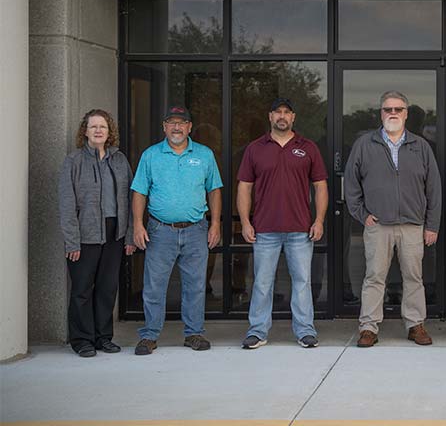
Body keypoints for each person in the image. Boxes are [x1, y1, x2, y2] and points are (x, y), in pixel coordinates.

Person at [344, 91, 442, 347]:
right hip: (378, 225)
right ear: (381, 113)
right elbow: (351, 185)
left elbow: (434, 189)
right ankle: (368, 327)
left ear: (406, 113)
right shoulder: (365, 145)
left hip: (412, 225)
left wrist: (432, 225)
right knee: (375, 277)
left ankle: (415, 324)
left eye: (398, 109)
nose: (393, 114)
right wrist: (362, 215)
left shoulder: (421, 146)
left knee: (413, 277)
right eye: (388, 109)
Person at [131, 105, 223, 355]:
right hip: (160, 230)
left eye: (181, 123)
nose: (176, 127)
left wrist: (215, 224)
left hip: (196, 230)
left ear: (189, 127)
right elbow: (139, 191)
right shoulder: (151, 155)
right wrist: (138, 224)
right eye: (171, 122)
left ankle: (194, 333)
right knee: (154, 286)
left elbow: (214, 190)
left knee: (195, 285)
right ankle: (149, 335)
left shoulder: (204, 155)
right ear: (164, 126)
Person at [237, 98, 328, 350]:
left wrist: (318, 220)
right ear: (270, 116)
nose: (282, 116)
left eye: (287, 112)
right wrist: (246, 222)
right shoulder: (255, 148)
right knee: (262, 283)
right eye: (277, 111)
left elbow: (320, 186)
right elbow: (244, 188)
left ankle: (305, 331)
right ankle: (257, 331)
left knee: (302, 282)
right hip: (264, 229)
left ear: (293, 117)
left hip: (300, 229)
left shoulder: (308, 148)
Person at [58, 109, 135, 357]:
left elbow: (131, 199)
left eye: (103, 126)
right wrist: (72, 242)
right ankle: (81, 340)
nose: (99, 130)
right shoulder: (74, 161)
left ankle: (103, 337)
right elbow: (67, 204)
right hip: (85, 234)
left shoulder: (120, 160)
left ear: (109, 131)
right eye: (93, 127)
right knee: (82, 288)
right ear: (86, 131)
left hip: (115, 232)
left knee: (107, 287)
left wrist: (130, 235)